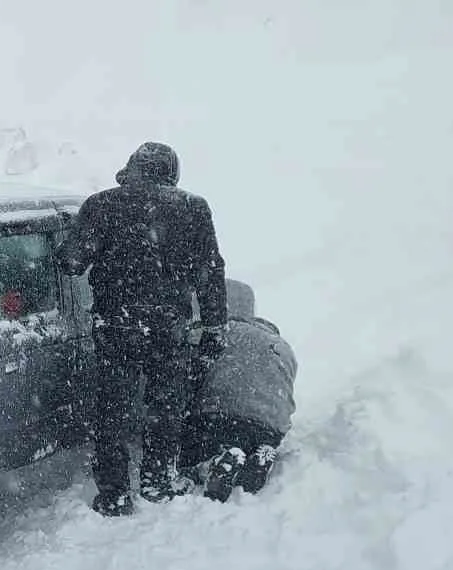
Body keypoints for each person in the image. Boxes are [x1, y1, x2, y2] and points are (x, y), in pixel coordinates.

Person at [63, 142, 228, 517]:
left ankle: (115, 494)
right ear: (171, 173)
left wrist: (75, 242)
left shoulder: (102, 204)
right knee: (165, 408)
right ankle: (156, 482)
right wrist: (215, 325)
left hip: (116, 325)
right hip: (168, 327)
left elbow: (72, 261)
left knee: (112, 411)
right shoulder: (193, 208)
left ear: (133, 167)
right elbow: (210, 272)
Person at [181, 281, 298, 501]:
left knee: (191, 451)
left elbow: (189, 385)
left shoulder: (211, 336)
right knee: (249, 436)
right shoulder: (282, 347)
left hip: (219, 419)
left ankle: (213, 463)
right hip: (268, 426)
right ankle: (261, 453)